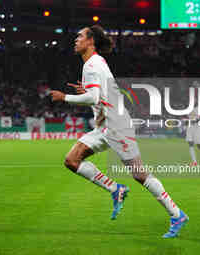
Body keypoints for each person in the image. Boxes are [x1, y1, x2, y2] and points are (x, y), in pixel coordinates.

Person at [50, 25, 188, 238]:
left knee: (139, 174)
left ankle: (177, 214)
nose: (75, 40)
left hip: (116, 125)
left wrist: (65, 97)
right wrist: (88, 92)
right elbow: (99, 94)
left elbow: (94, 98)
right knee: (72, 160)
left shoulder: (92, 64)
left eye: (80, 36)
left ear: (91, 41)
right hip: (105, 125)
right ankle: (116, 189)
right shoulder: (94, 63)